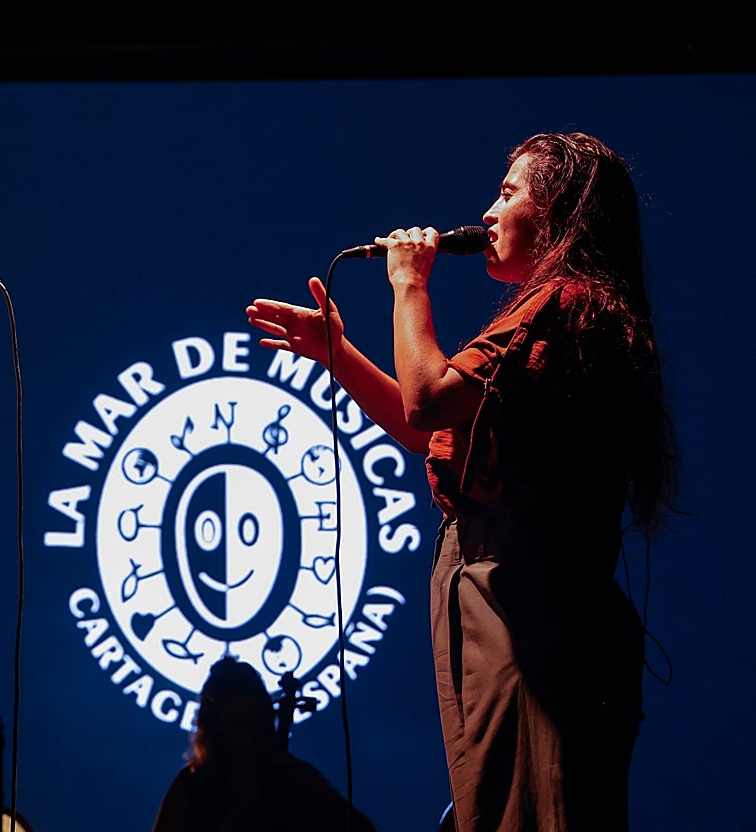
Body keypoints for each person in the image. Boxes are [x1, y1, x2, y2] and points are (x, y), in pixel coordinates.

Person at [245, 132, 678, 831]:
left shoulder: (564, 304)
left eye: (509, 193)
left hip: (526, 603)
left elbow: (427, 399)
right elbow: (431, 431)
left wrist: (409, 283)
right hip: (513, 598)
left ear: (560, 209)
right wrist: (338, 353)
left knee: (528, 809)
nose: (488, 210)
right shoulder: (558, 311)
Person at [151, 656, 378, 832]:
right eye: (236, 725)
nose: (247, 737)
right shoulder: (193, 787)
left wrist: (318, 788)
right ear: (216, 728)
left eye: (254, 723)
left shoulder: (296, 780)